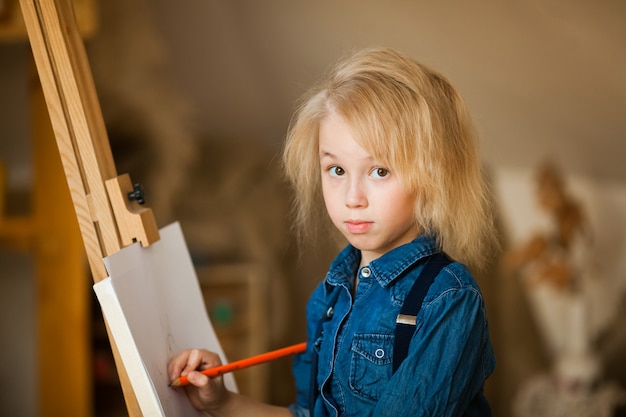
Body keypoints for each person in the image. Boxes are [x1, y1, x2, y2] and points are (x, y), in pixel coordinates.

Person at [168, 47, 499, 417]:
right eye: (336, 170)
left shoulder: (448, 299)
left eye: (379, 171)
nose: (352, 198)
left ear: (433, 176)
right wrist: (224, 403)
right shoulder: (330, 297)